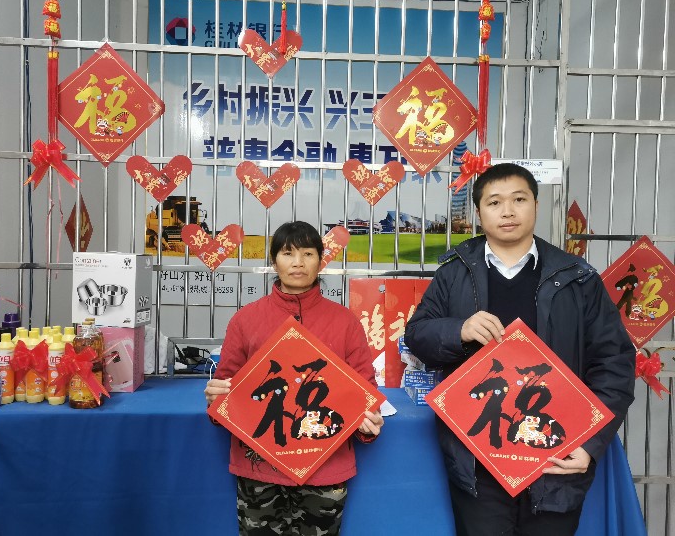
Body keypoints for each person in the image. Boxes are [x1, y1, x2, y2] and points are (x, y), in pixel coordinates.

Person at [404, 163, 635, 535]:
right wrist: (459, 330)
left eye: (519, 200)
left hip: (554, 451)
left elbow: (614, 362)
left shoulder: (577, 277)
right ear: (478, 213)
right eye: (494, 202)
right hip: (479, 454)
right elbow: (417, 335)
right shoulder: (454, 272)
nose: (507, 211)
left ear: (536, 206)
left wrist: (590, 443)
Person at [204, 220, 384, 536]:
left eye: (308, 253)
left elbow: (365, 390)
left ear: (320, 261)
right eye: (288, 253)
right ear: (274, 261)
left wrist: (369, 421)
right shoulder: (245, 320)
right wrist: (216, 400)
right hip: (260, 466)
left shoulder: (345, 321)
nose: (298, 263)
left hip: (326, 465)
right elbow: (226, 390)